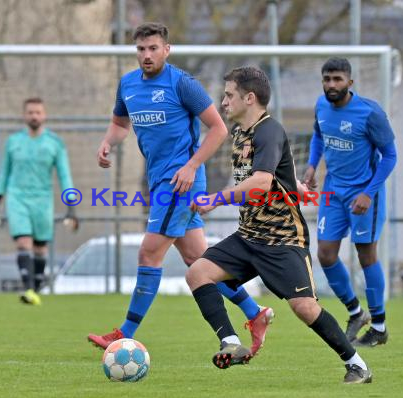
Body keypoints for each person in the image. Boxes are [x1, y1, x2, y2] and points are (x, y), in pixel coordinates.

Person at [87, 22, 274, 354]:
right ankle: (254, 312)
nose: (147, 55)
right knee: (197, 260)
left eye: (153, 48)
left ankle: (124, 333)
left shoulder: (182, 84)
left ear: (166, 50)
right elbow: (119, 124)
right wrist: (107, 143)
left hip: (180, 182)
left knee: (148, 253)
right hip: (160, 180)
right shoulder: (128, 85)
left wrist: (190, 166)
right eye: (141, 49)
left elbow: (217, 129)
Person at [187, 66, 372, 384]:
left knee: (304, 308)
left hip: (282, 239)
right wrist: (296, 185)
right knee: (198, 273)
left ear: (249, 97)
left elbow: (259, 183)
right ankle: (231, 342)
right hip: (248, 236)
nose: (224, 101)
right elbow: (273, 172)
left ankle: (357, 364)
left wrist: (215, 199)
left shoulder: (268, 129)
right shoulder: (241, 132)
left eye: (229, 94)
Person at [303, 57, 397, 346]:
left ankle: (379, 328)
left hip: (363, 193)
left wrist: (369, 193)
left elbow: (390, 156)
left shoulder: (369, 113)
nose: (332, 85)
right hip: (333, 191)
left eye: (337, 79)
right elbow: (318, 136)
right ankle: (356, 313)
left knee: (365, 254)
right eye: (327, 79)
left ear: (350, 83)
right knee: (326, 254)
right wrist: (311, 165)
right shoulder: (321, 106)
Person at [0, 97, 79, 306]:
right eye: (30, 112)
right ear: (24, 115)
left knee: (40, 248)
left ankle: (35, 289)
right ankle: (29, 289)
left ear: (44, 115)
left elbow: (64, 175)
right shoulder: (13, 142)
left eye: (38, 112)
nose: (34, 116)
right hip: (17, 197)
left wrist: (71, 207)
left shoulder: (55, 143)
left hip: (42, 199)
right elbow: (5, 172)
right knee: (23, 242)